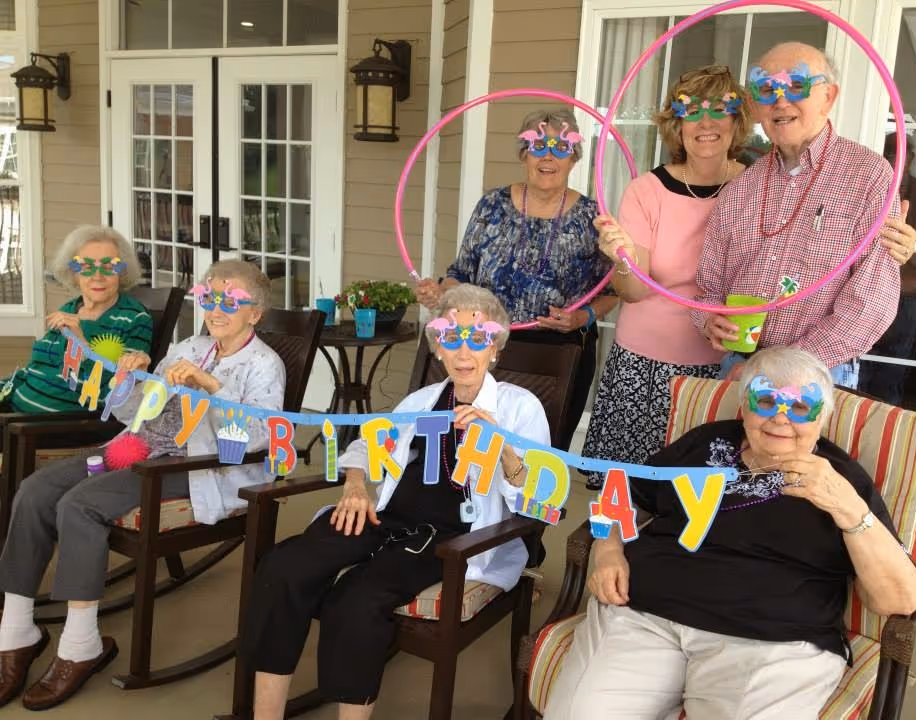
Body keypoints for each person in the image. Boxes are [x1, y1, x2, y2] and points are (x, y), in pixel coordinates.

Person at [544, 347, 916, 720]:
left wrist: (849, 509)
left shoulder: (842, 479)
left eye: (800, 407)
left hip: (772, 643)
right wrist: (608, 550)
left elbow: (900, 599)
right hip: (644, 617)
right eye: (765, 401)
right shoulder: (704, 443)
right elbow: (622, 494)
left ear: (822, 417)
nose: (780, 418)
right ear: (744, 405)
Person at [238, 284, 550, 720]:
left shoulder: (520, 408)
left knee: (357, 599)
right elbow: (367, 444)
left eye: (477, 339)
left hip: (452, 538)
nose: (463, 352)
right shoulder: (422, 401)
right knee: (283, 568)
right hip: (386, 518)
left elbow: (540, 501)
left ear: (495, 348)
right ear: (437, 347)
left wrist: (504, 449)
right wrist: (355, 483)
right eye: (451, 338)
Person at [0, 260, 285, 710]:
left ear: (255, 313)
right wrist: (129, 377)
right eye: (209, 297)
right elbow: (135, 412)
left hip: (196, 466)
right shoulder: (189, 346)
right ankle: (17, 632)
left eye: (230, 301)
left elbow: (256, 438)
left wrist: (210, 385)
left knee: (79, 505)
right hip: (138, 446)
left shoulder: (264, 365)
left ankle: (80, 645)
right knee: (36, 490)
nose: (216, 309)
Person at [694, 43, 914, 388]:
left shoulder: (868, 176)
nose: (780, 101)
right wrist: (708, 320)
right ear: (755, 105)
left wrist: (779, 368)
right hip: (737, 367)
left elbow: (870, 304)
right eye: (767, 90)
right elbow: (708, 288)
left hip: (817, 373)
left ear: (828, 97)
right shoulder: (741, 187)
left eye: (797, 85)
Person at [582, 65, 749, 490]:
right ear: (677, 125)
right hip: (645, 368)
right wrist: (622, 259)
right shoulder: (647, 191)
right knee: (630, 493)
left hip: (724, 366)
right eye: (692, 112)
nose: (706, 123)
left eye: (719, 109)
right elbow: (634, 290)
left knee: (700, 495)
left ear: (737, 121)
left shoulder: (758, 187)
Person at [415, 109, 616, 450]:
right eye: (538, 146)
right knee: (472, 443)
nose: (548, 156)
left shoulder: (592, 217)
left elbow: (611, 290)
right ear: (524, 154)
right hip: (485, 347)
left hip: (559, 356)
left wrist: (582, 317)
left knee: (542, 453)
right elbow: (460, 274)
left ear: (574, 157)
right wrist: (443, 295)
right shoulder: (492, 205)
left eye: (561, 147)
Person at [0, 225, 152, 417]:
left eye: (108, 267)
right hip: (11, 411)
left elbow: (113, 395)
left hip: (45, 426)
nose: (98, 276)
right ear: (74, 273)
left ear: (122, 272)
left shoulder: (134, 318)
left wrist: (81, 344)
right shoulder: (69, 309)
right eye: (87, 267)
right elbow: (34, 369)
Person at [859, 133, 916, 405]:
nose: (893, 158)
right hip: (866, 292)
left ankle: (886, 427)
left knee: (894, 368)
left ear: (911, 157)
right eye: (888, 152)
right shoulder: (868, 187)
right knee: (860, 365)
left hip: (908, 294)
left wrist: (910, 245)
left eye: (899, 152)